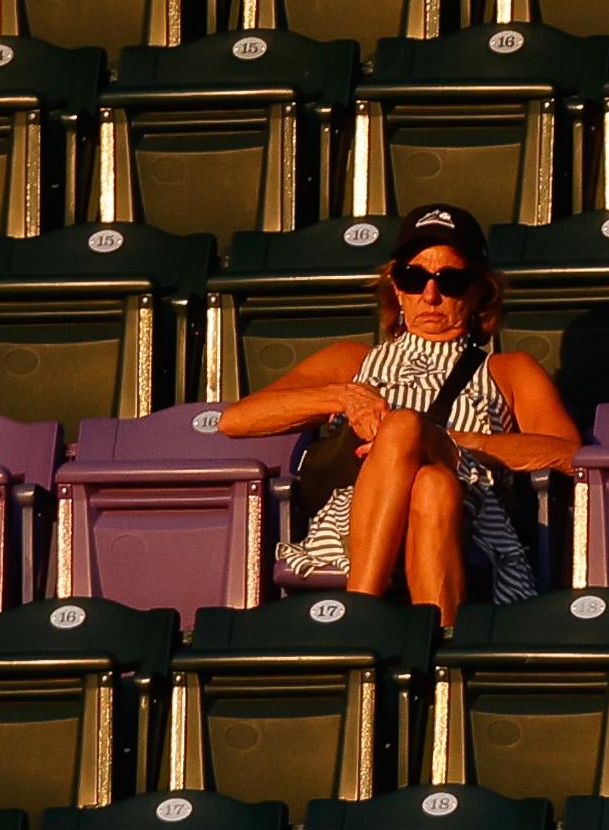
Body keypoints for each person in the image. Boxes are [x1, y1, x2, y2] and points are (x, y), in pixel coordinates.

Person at [223, 207, 581, 613]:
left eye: (451, 281)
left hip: (474, 513)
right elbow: (235, 420)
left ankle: (358, 613)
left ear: (481, 290)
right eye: (414, 278)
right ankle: (445, 652)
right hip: (365, 512)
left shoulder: (508, 369)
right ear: (396, 287)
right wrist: (344, 397)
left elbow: (571, 456)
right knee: (430, 484)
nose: (430, 295)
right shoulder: (352, 361)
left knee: (405, 426)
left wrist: (453, 442)